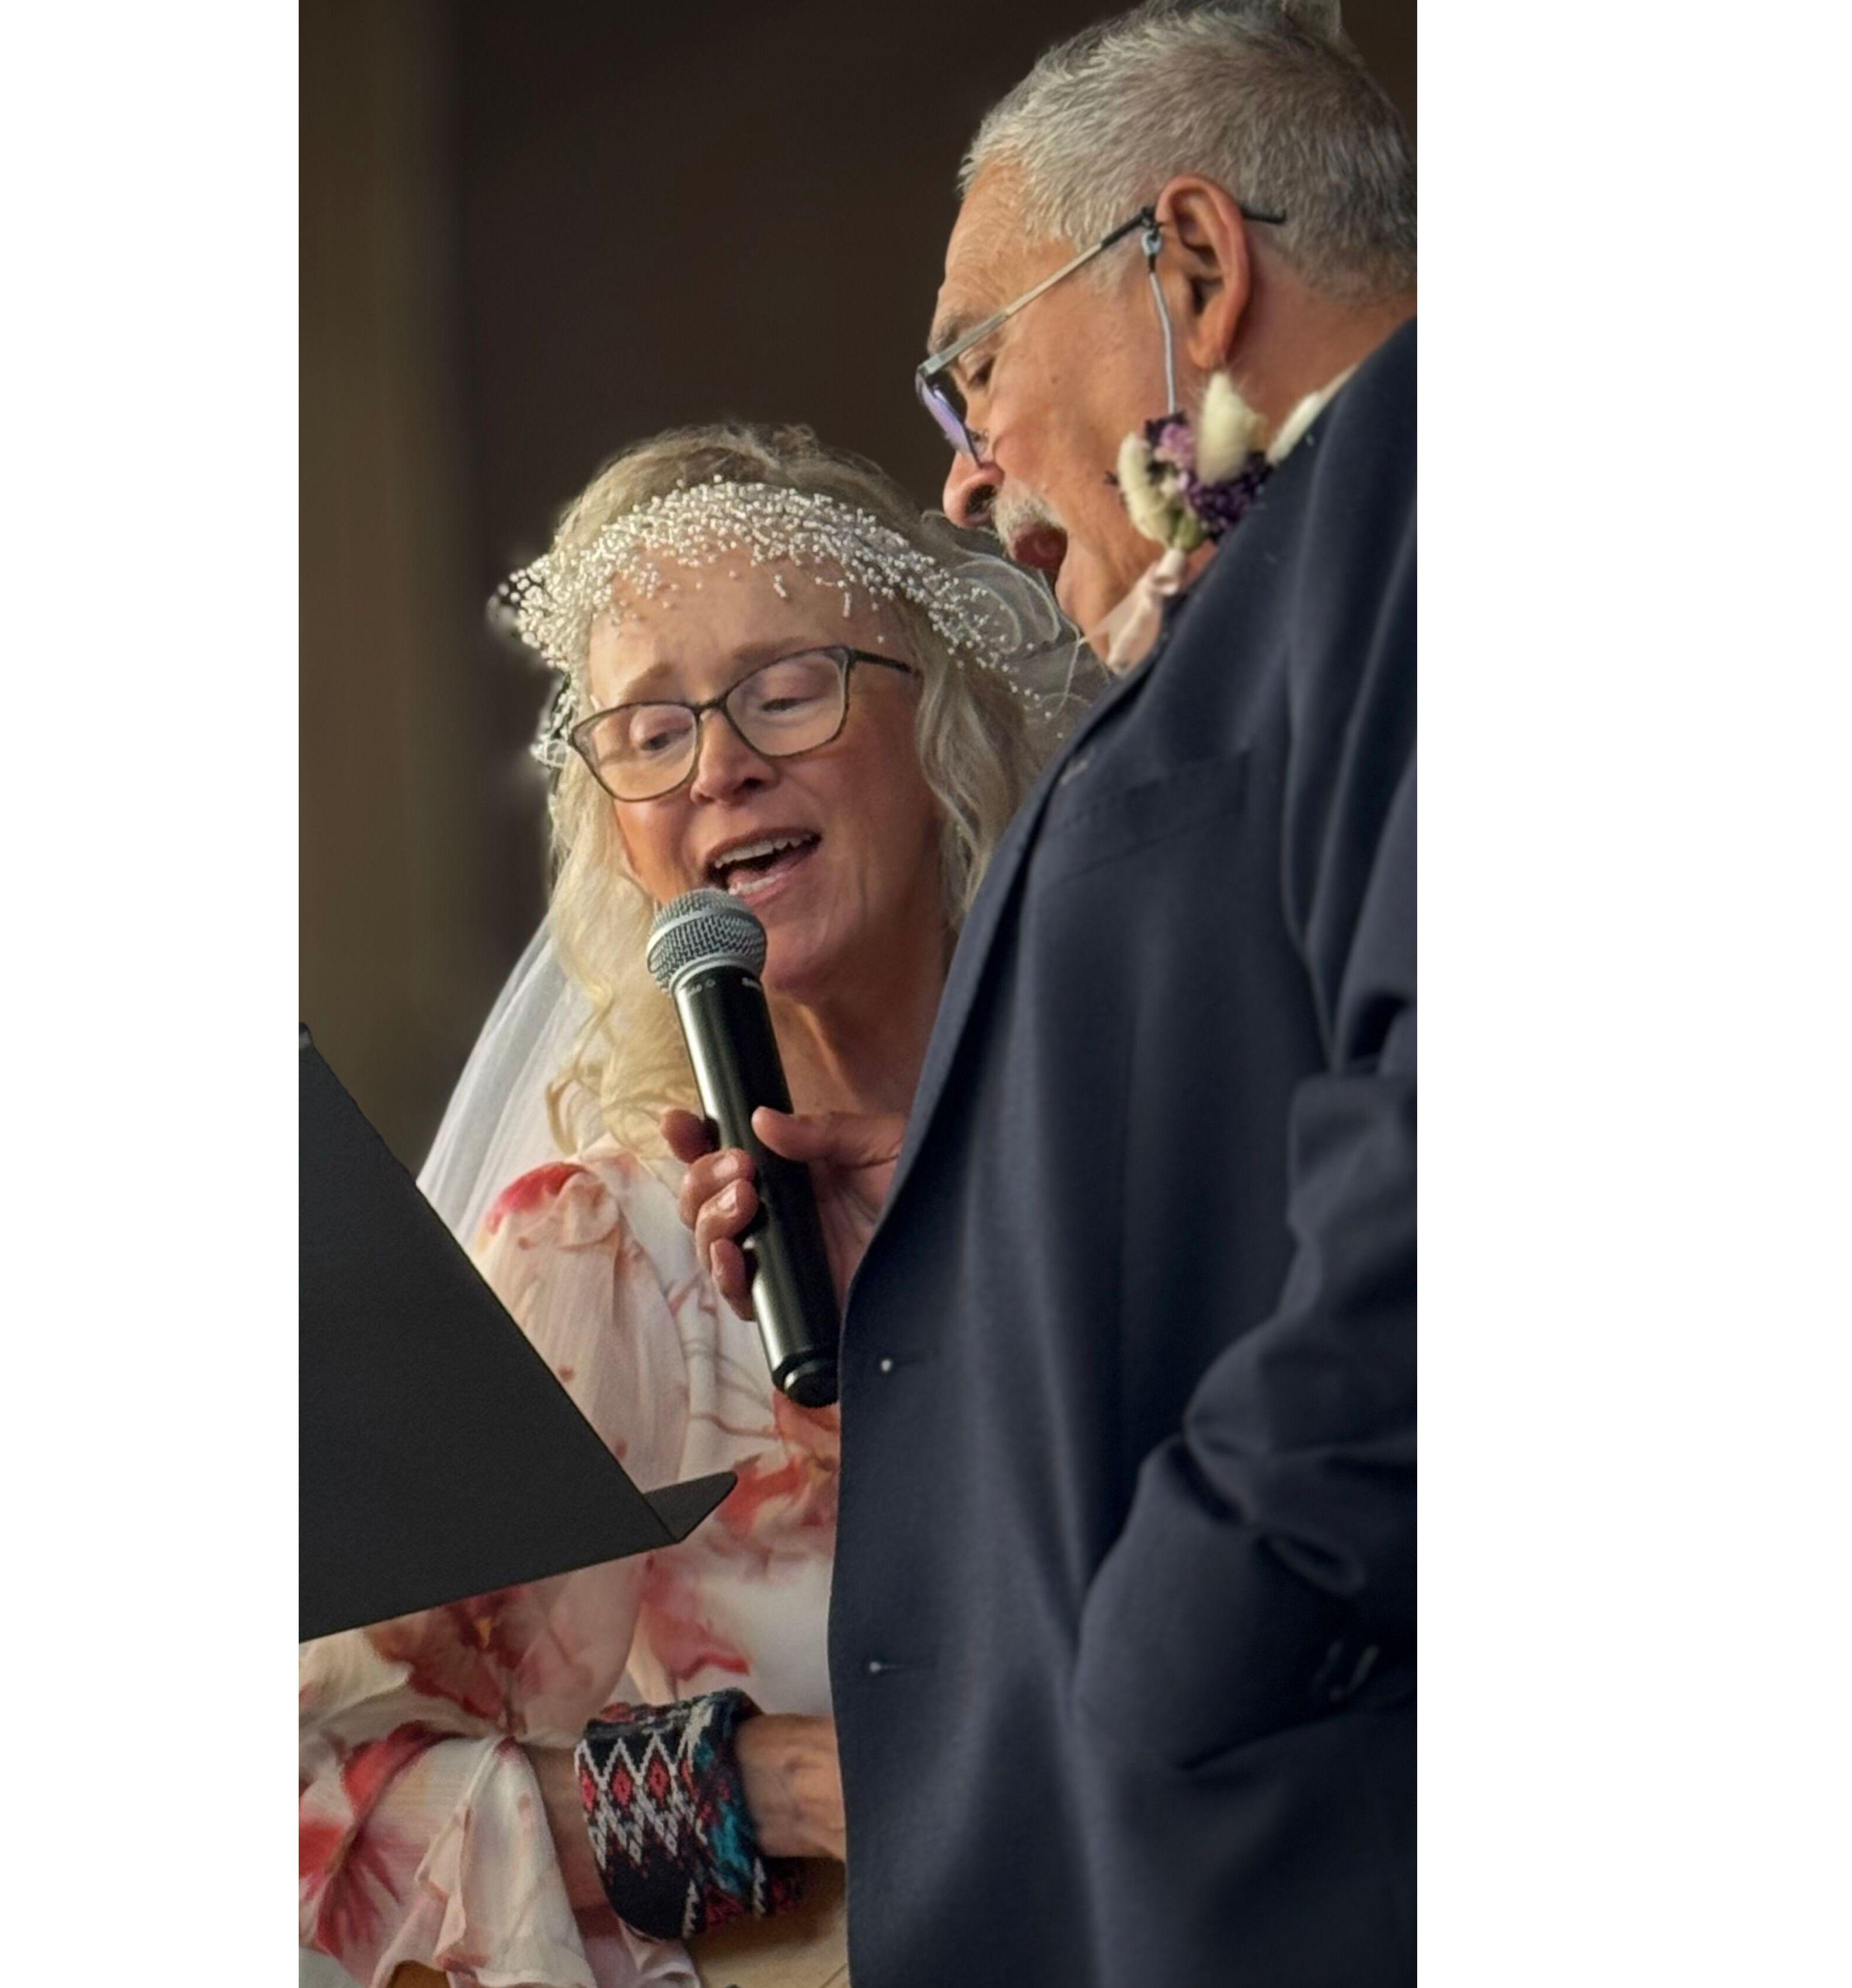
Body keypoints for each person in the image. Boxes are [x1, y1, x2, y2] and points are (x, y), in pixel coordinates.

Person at [680, 4, 1417, 1983]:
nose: (965, 475)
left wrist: (1183, 1634)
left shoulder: (1416, 510)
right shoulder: (1281, 583)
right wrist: (963, 1202)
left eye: (972, 367)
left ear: (1190, 262)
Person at [298, 422, 1095, 1988]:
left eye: (787, 687)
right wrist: (763, 1787)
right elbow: (318, 1802)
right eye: (649, 729)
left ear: (937, 728)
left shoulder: (1117, 1176)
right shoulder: (596, 1255)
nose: (721, 759)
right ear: (617, 825)